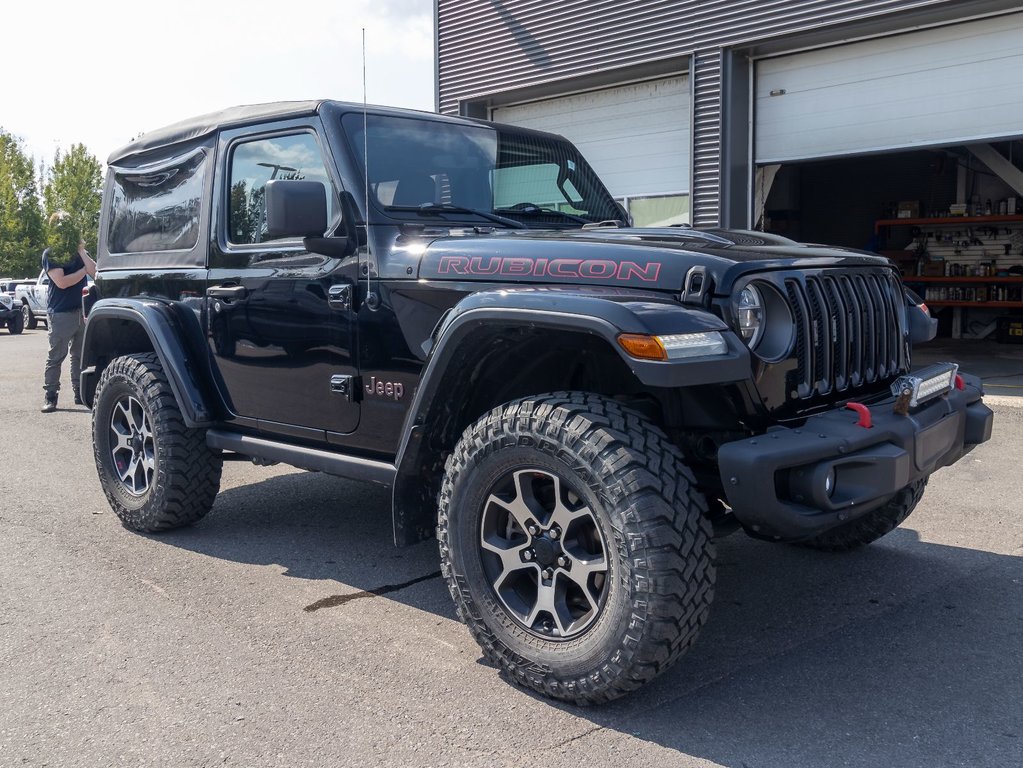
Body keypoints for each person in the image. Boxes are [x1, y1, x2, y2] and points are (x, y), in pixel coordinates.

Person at [40, 211, 96, 413]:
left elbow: (96, 272)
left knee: (79, 356)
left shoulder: (78, 253)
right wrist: (83, 272)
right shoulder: (51, 253)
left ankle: (79, 394)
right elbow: (62, 282)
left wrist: (81, 251)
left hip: (81, 311)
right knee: (56, 357)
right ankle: (51, 396)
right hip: (60, 313)